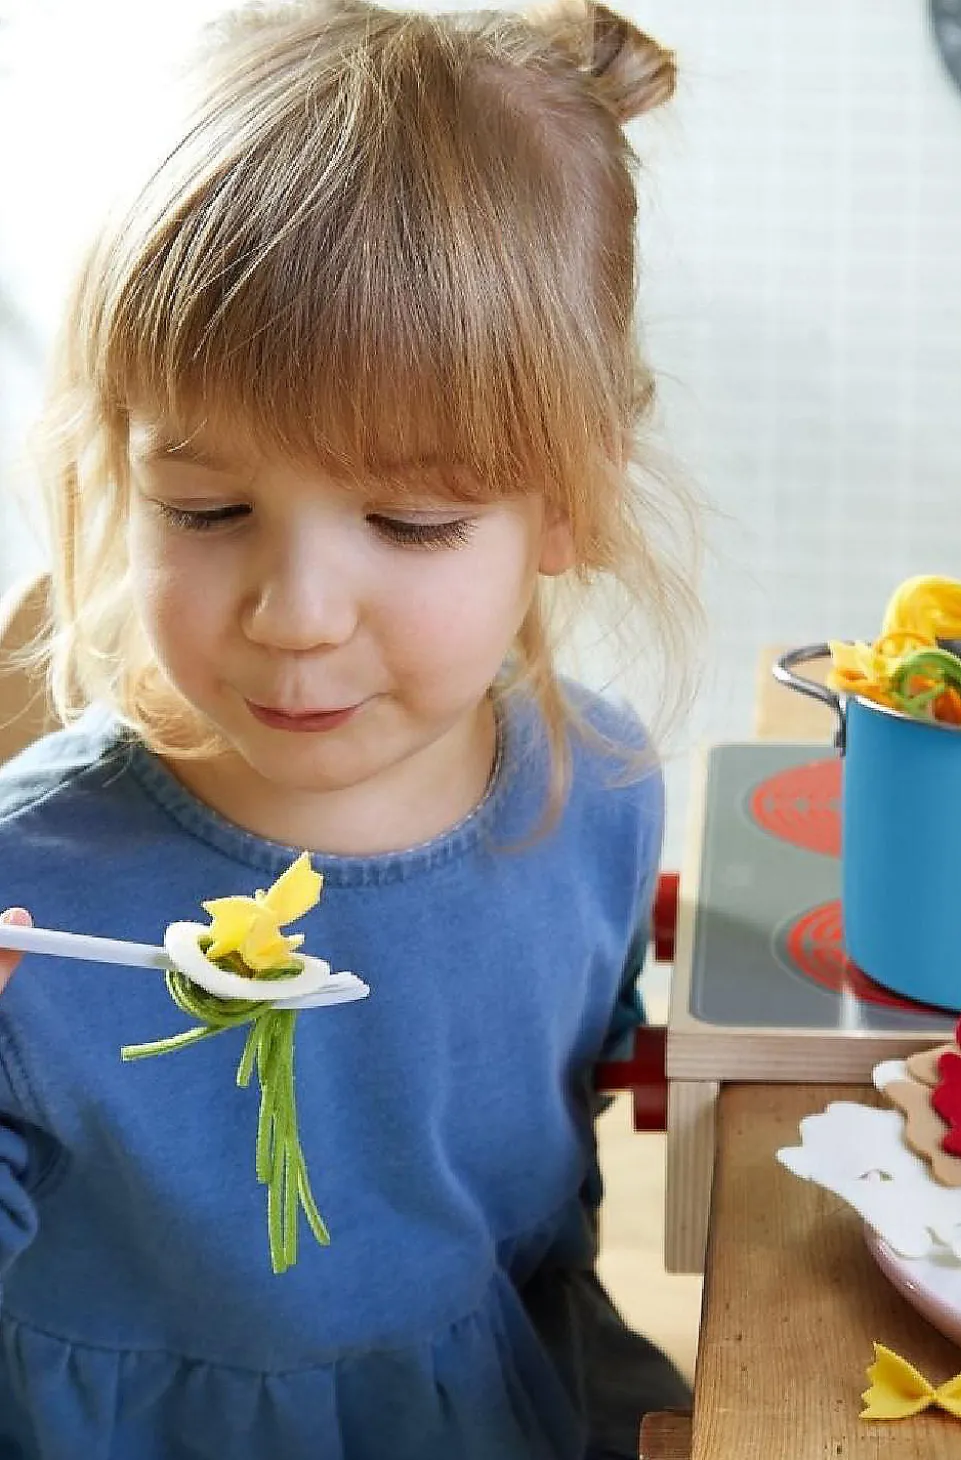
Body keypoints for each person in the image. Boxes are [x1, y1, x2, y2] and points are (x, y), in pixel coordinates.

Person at [0, 1, 700, 1455]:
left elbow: (544, 1193)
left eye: (409, 519)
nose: (297, 611)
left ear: (567, 500)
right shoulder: (30, 897)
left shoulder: (602, 789)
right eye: (204, 511)